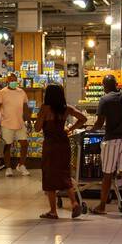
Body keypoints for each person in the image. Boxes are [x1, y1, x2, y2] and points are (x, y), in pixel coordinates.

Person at [89, 74, 122, 217]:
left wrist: (90, 130)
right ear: (117, 84)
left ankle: (102, 206)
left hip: (111, 141)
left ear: (104, 86)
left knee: (108, 175)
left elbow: (99, 122)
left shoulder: (105, 99)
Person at [37, 83, 86, 219]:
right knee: (64, 173)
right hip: (64, 144)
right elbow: (83, 118)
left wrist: (40, 117)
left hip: (50, 145)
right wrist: (70, 129)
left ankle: (53, 211)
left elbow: (37, 128)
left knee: (49, 175)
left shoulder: (45, 109)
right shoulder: (67, 109)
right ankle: (74, 203)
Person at [0, 73, 32, 177]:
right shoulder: (2, 93)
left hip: (20, 123)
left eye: (15, 80)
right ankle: (8, 167)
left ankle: (21, 165)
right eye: (11, 80)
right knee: (7, 146)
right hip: (6, 123)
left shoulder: (22, 92)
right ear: (7, 81)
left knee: (24, 144)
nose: (13, 82)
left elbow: (25, 107)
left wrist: (28, 121)